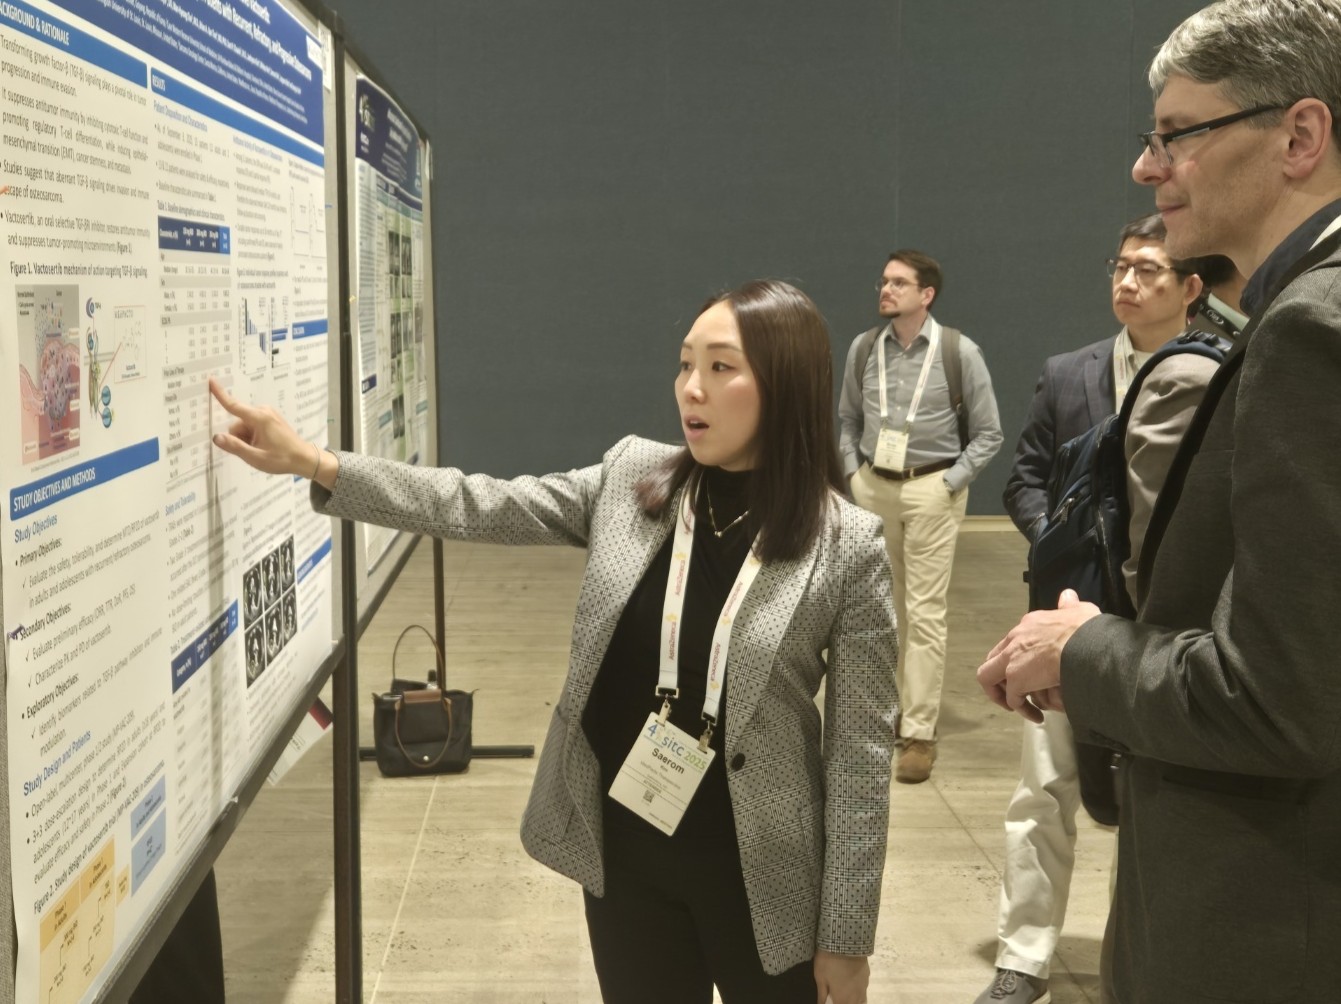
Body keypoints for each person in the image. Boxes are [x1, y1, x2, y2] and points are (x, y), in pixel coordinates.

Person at [209, 280, 897, 1004]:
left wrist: (846, 937)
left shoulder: (845, 546)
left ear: (785, 384)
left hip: (764, 875)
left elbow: (860, 758)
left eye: (721, 367)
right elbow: (481, 503)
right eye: (684, 363)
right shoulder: (634, 479)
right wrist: (320, 464)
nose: (691, 388)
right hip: (627, 856)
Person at [977, 2, 1341, 1001]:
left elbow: (1281, 698)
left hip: (1265, 931)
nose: (1147, 167)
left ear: (1299, 136)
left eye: (1179, 133)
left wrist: (1081, 648)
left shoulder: (1311, 329)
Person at [983, 215, 1204, 1004]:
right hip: (1062, 615)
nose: (1127, 282)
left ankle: (1128, 962)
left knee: (1149, 802)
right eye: (1120, 266)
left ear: (1189, 287)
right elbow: (1024, 477)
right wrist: (1063, 539)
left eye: (1148, 269)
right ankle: (1021, 959)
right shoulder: (1066, 372)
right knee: (1041, 789)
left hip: (1157, 629)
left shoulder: (1214, 371)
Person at [838, 250, 1002, 783]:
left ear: (926, 294)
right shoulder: (865, 348)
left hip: (933, 487)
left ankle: (918, 733)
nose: (886, 290)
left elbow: (989, 433)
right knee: (879, 609)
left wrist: (950, 484)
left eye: (898, 283)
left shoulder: (958, 351)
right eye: (884, 281)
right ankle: (886, 711)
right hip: (873, 488)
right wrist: (853, 475)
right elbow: (847, 419)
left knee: (925, 612)